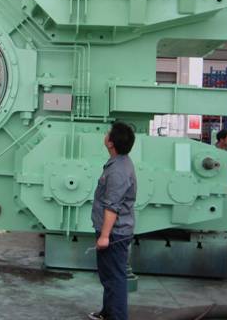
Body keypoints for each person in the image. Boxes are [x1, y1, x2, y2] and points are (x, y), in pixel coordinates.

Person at [88, 122, 137, 320]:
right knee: (109, 277)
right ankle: (108, 313)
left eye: (108, 133)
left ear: (111, 143)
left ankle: (117, 316)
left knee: (115, 278)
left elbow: (112, 206)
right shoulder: (118, 163)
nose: (106, 134)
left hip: (114, 234)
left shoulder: (118, 170)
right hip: (113, 232)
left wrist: (105, 236)